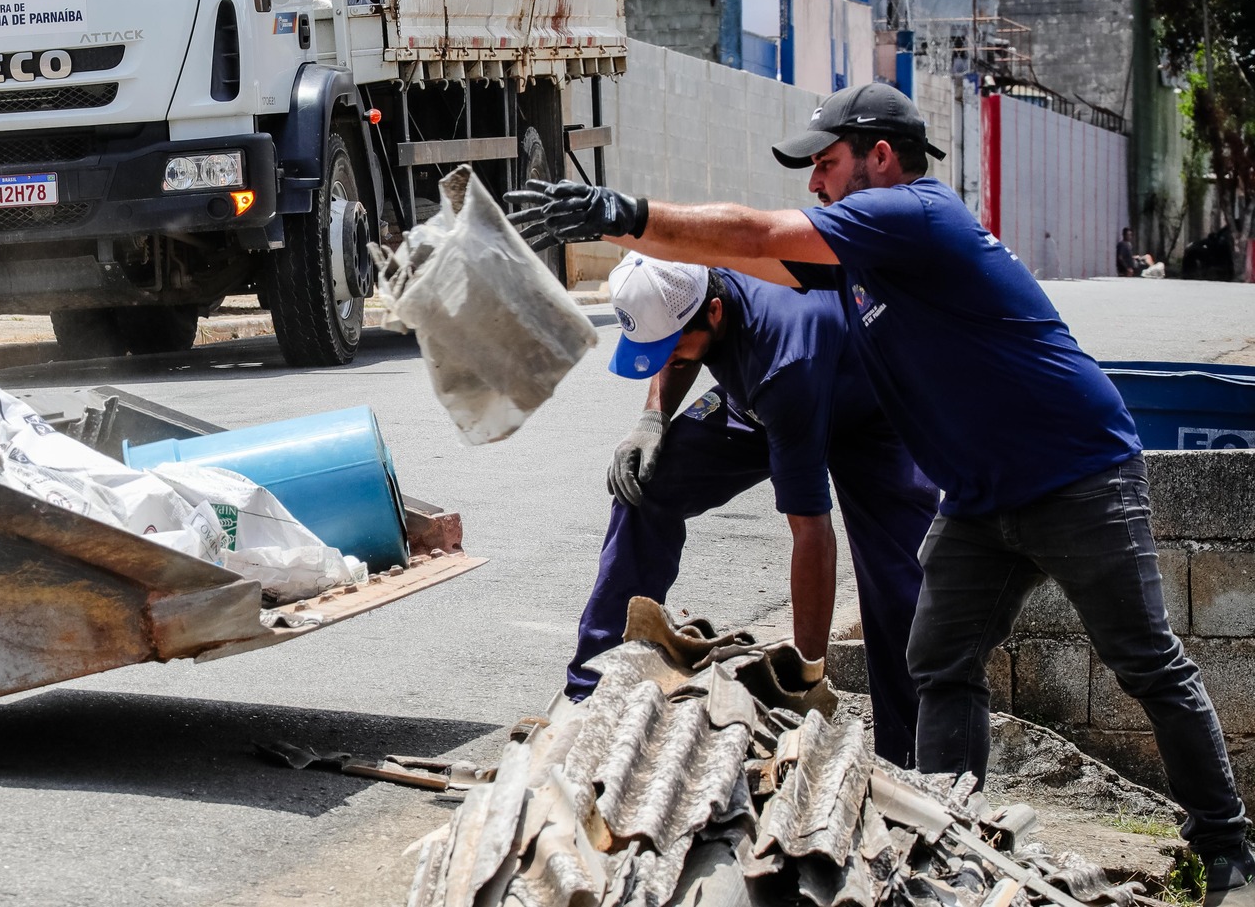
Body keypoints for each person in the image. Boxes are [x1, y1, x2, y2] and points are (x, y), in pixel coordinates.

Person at [507, 80, 1255, 905]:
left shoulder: (915, 216)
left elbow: (758, 231)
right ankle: (949, 836)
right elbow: (747, 259)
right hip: (977, 497)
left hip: (1074, 475)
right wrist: (653, 394)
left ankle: (1226, 850)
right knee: (939, 659)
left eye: (826, 164)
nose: (815, 183)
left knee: (1145, 662)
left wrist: (624, 210)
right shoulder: (864, 254)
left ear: (881, 158)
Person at [572, 252, 939, 766]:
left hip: (870, 411)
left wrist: (804, 677)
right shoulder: (687, 277)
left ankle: (912, 763)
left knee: (900, 589)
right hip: (764, 398)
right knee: (647, 484)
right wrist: (652, 417)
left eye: (671, 348)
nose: (664, 358)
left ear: (716, 313)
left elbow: (812, 534)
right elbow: (673, 348)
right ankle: (595, 684)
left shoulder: (784, 364)